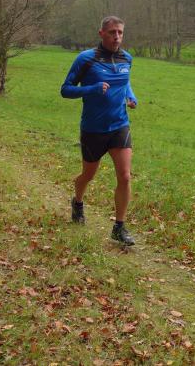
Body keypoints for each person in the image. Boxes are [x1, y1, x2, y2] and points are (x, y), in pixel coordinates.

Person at [61, 16, 138, 246]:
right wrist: (92, 89)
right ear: (101, 33)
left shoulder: (127, 58)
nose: (117, 37)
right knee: (88, 175)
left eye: (120, 32)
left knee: (125, 176)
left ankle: (119, 227)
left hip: (119, 125)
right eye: (113, 32)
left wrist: (130, 96)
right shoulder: (86, 59)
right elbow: (65, 90)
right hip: (93, 129)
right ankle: (77, 201)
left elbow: (125, 82)